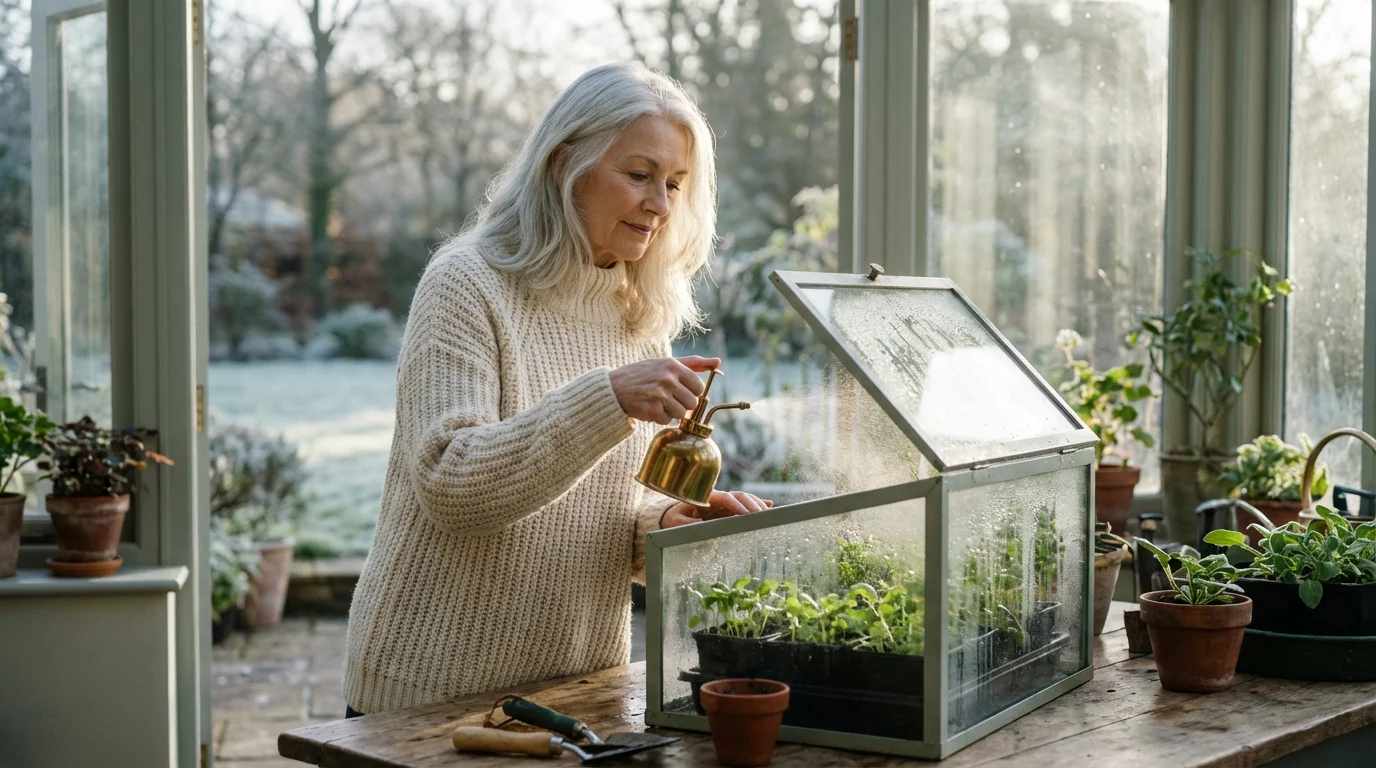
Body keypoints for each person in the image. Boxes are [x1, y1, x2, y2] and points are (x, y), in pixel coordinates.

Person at [342, 62, 772, 716]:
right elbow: (454, 486)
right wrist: (608, 400)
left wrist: (674, 526)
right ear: (562, 163)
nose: (660, 204)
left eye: (675, 184)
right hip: (432, 697)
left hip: (575, 695)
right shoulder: (467, 282)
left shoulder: (638, 317)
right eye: (638, 175)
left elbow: (604, 521)